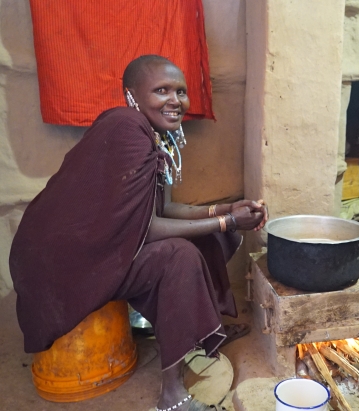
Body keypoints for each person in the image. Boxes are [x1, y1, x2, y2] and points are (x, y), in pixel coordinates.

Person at [9, 55, 267, 411]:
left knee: (201, 237)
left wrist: (224, 210)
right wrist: (229, 222)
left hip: (96, 248)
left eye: (181, 91)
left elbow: (163, 210)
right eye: (161, 91)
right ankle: (171, 395)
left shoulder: (153, 134)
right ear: (131, 95)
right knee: (178, 255)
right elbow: (146, 228)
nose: (175, 100)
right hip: (66, 263)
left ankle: (202, 333)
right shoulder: (127, 128)